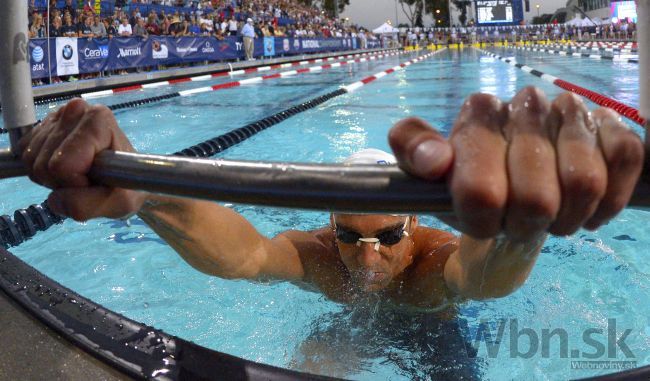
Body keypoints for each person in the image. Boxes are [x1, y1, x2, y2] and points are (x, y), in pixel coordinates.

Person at [19, 88, 643, 310]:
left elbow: (483, 279)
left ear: (413, 226)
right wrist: (150, 190)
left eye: (389, 239)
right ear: (330, 226)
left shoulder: (435, 259)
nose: (367, 261)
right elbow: (248, 256)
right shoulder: (319, 257)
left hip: (439, 342)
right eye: (350, 238)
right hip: (349, 328)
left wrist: (518, 224)